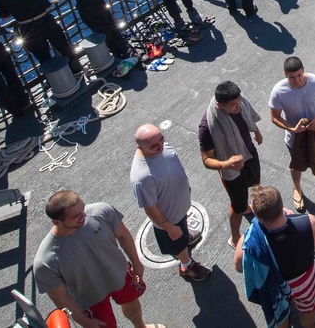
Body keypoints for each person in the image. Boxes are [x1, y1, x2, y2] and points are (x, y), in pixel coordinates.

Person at [33, 191, 161, 328]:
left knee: (131, 302)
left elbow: (123, 235)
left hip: (119, 275)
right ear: (56, 222)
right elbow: (62, 298)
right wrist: (85, 322)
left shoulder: (101, 212)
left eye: (83, 208)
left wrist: (136, 263)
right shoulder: (46, 262)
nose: (84, 215)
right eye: (76, 216)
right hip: (90, 299)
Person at [233, 185, 315, 328]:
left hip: (274, 284)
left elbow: (239, 267)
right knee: (308, 312)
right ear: (281, 206)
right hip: (304, 281)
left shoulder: (248, 241)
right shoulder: (310, 223)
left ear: (257, 216)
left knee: (280, 314)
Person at [130, 124, 210, 282]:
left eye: (161, 139)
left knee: (182, 232)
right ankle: (187, 265)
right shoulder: (142, 177)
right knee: (178, 244)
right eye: (154, 145)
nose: (160, 146)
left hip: (179, 208)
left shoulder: (161, 146)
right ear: (140, 147)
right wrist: (169, 227)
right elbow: (150, 209)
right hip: (170, 219)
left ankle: (185, 236)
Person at [199, 80, 263, 248]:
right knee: (237, 206)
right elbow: (206, 160)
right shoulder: (208, 126)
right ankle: (234, 237)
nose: (239, 106)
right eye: (233, 105)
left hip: (248, 154)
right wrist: (227, 164)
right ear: (220, 106)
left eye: (239, 101)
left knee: (254, 184)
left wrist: (256, 131)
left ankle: (248, 209)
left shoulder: (239, 101)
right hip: (231, 171)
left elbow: (248, 116)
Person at [268, 56, 315, 213]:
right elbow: (274, 117)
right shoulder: (279, 91)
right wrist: (292, 129)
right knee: (297, 165)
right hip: (295, 137)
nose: (297, 80)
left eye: (299, 75)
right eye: (292, 77)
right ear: (284, 74)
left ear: (303, 70)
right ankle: (297, 188)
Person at [0, 0, 83, 75]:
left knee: (43, 57)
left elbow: (4, 17)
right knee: (64, 48)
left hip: (27, 28)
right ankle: (76, 72)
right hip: (46, 23)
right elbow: (47, 6)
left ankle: (55, 79)